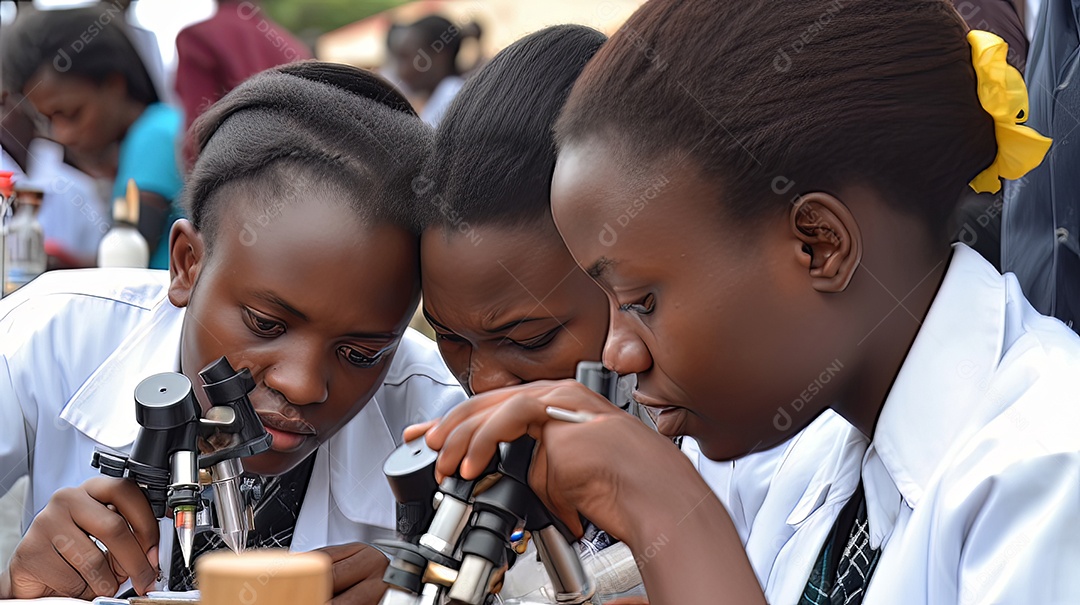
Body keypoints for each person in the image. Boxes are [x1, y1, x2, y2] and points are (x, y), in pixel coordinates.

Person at [411, 1, 1079, 603]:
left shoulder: (1048, 469)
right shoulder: (825, 461)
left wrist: (668, 509)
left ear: (819, 245)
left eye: (642, 299)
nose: (617, 350)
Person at [0, 62, 464, 603]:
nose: (303, 385)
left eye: (362, 353)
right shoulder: (48, 335)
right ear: (187, 265)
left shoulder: (439, 415)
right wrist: (14, 586)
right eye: (267, 324)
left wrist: (427, 593)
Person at [4, 6, 183, 270]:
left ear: (113, 85)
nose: (61, 134)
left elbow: (130, 260)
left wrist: (53, 266)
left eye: (71, 114)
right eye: (49, 120)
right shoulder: (154, 130)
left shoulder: (153, 134)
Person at [174, 0, 312, 167]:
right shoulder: (294, 45)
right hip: (300, 175)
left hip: (239, 180)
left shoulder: (198, 37)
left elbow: (197, 138)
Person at [390, 15, 481, 126]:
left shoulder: (451, 100)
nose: (400, 70)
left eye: (406, 57)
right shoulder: (439, 99)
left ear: (439, 57)